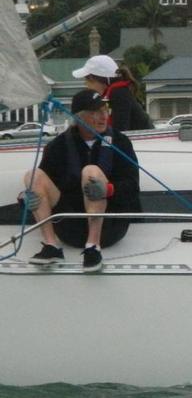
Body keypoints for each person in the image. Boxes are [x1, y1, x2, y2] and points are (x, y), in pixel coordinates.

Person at [20, 89, 142, 271]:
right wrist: (25, 199)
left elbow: (133, 186)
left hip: (110, 228)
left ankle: (93, 247)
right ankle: (51, 246)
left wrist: (108, 189)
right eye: (95, 112)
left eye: (105, 110)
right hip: (70, 228)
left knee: (91, 171)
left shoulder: (120, 142)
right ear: (78, 118)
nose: (103, 117)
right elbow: (43, 185)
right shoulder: (58, 146)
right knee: (33, 176)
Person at [73, 54, 154, 131]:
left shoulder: (119, 93)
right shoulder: (113, 93)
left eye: (87, 81)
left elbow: (120, 129)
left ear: (95, 79)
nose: (86, 85)